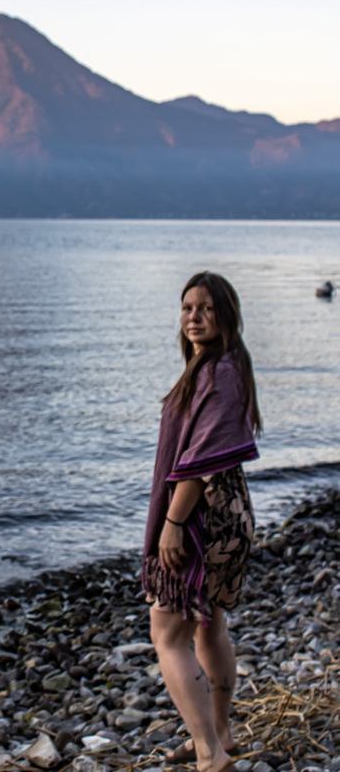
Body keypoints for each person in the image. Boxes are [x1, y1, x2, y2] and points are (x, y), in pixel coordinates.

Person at [141, 271, 261, 772]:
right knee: (208, 625)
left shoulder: (219, 373)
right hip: (230, 511)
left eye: (207, 309)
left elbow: (200, 459)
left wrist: (172, 522)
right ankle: (222, 734)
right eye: (188, 308)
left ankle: (210, 754)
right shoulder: (222, 366)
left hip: (202, 515)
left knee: (167, 634)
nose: (194, 317)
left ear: (226, 315)